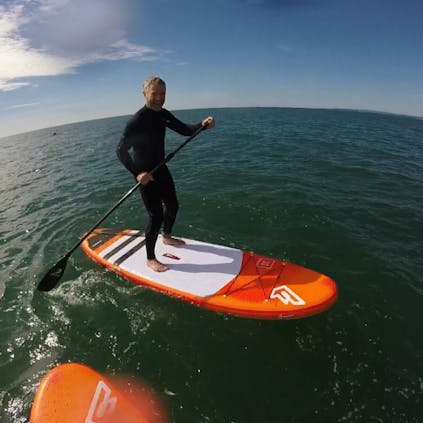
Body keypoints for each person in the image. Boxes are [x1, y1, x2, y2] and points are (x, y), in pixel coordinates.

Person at [116, 76, 215, 272]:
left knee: (173, 205)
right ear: (145, 93)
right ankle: (150, 258)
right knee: (155, 216)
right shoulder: (137, 121)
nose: (159, 98)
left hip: (161, 168)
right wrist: (138, 174)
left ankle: (167, 236)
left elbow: (185, 130)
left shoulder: (162, 114)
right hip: (146, 175)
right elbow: (120, 150)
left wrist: (201, 125)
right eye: (155, 94)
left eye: (163, 94)